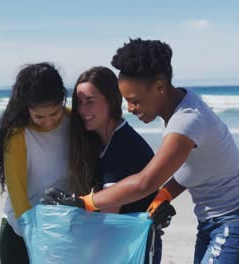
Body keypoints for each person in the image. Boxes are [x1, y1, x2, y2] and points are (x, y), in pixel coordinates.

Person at [44, 38, 239, 263]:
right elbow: (197, 168)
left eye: (134, 100)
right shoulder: (182, 104)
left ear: (159, 87)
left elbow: (145, 182)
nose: (130, 109)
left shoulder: (185, 123)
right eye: (126, 100)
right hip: (215, 220)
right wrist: (165, 195)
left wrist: (85, 202)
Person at [68, 66, 163, 263]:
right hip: (122, 244)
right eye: (79, 102)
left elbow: (109, 217)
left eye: (90, 102)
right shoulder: (102, 141)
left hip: (135, 249)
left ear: (111, 101)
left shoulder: (122, 146)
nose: (83, 110)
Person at [0, 62, 70, 264]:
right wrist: (36, 236)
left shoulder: (74, 122)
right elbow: (17, 193)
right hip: (20, 232)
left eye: (54, 113)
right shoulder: (18, 133)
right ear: (27, 109)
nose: (49, 121)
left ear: (63, 101)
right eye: (39, 116)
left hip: (62, 229)